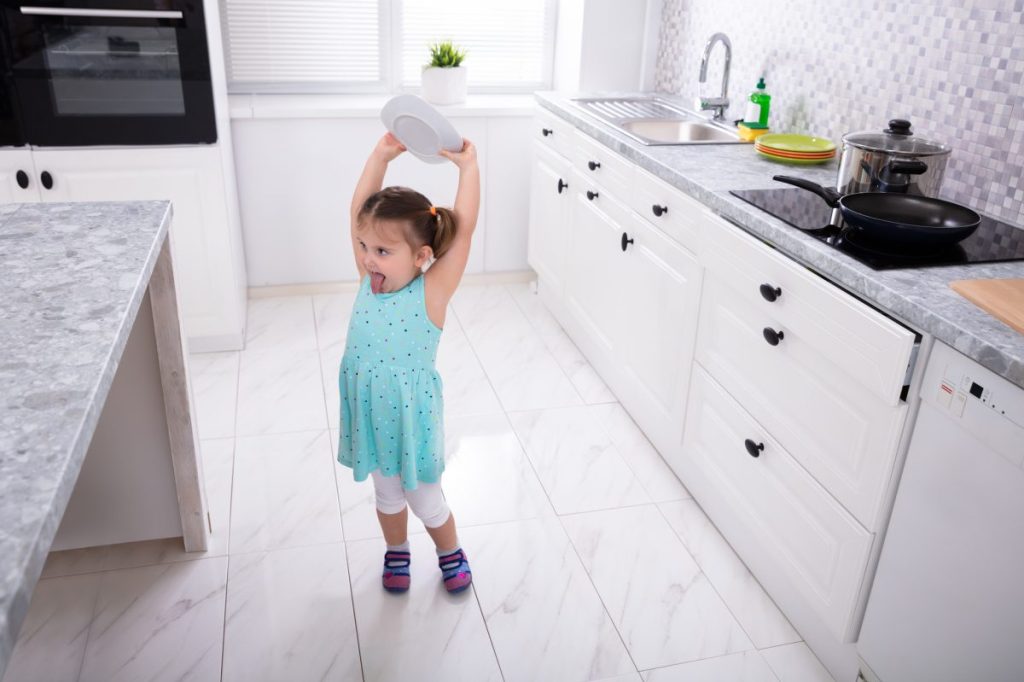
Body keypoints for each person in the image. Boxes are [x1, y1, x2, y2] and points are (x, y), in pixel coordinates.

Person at [337, 131, 479, 594]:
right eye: (364, 247)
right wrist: (379, 156)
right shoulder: (367, 279)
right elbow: (358, 210)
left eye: (381, 251)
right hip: (373, 418)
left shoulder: (430, 293)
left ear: (421, 257)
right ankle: (396, 552)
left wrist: (468, 168)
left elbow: (465, 231)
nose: (367, 259)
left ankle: (449, 551)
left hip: (411, 420)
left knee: (426, 500)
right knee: (386, 496)